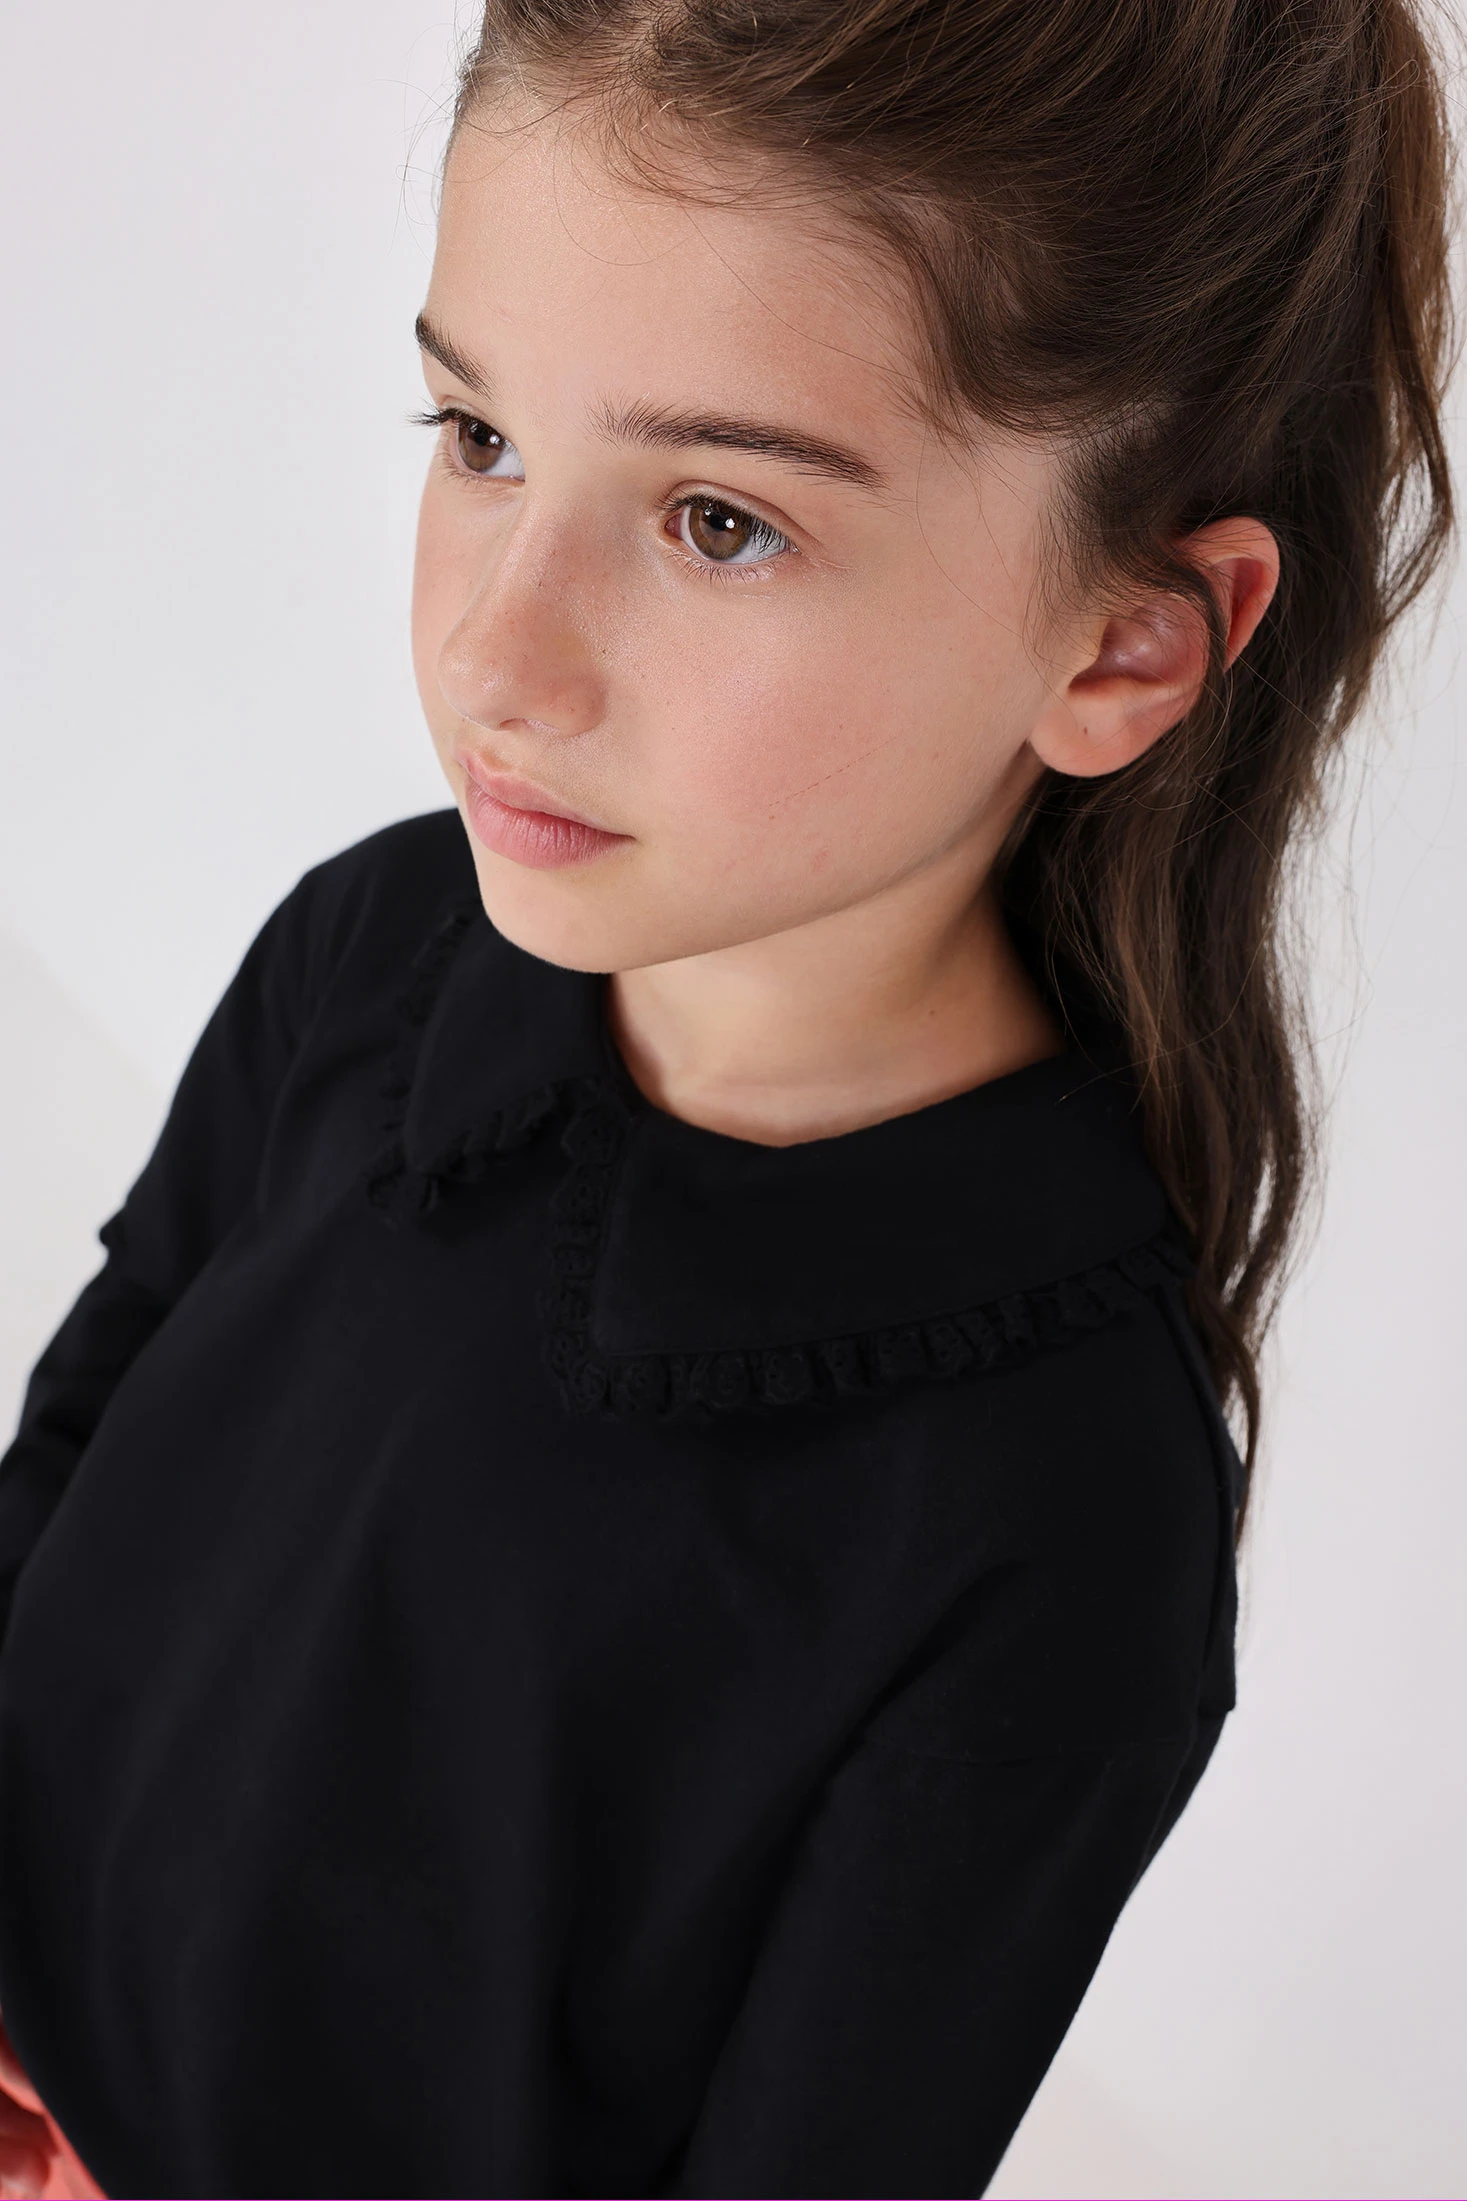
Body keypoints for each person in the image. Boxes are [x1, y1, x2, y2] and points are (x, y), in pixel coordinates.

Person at [0, 0, 1457, 2194]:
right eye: (480, 435)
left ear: (1124, 644)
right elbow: (76, 1465)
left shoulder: (1059, 1523)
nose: (495, 657)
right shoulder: (377, 944)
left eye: (714, 521)